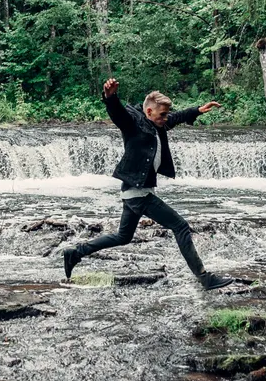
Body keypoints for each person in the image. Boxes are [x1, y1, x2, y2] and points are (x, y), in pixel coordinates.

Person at [62, 78, 233, 290]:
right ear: (149, 112)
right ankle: (204, 278)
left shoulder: (158, 124)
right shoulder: (133, 124)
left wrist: (198, 110)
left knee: (123, 236)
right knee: (180, 226)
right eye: (162, 114)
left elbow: (177, 117)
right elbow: (118, 114)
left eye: (166, 114)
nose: (166, 118)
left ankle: (75, 253)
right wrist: (110, 97)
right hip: (138, 193)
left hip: (134, 191)